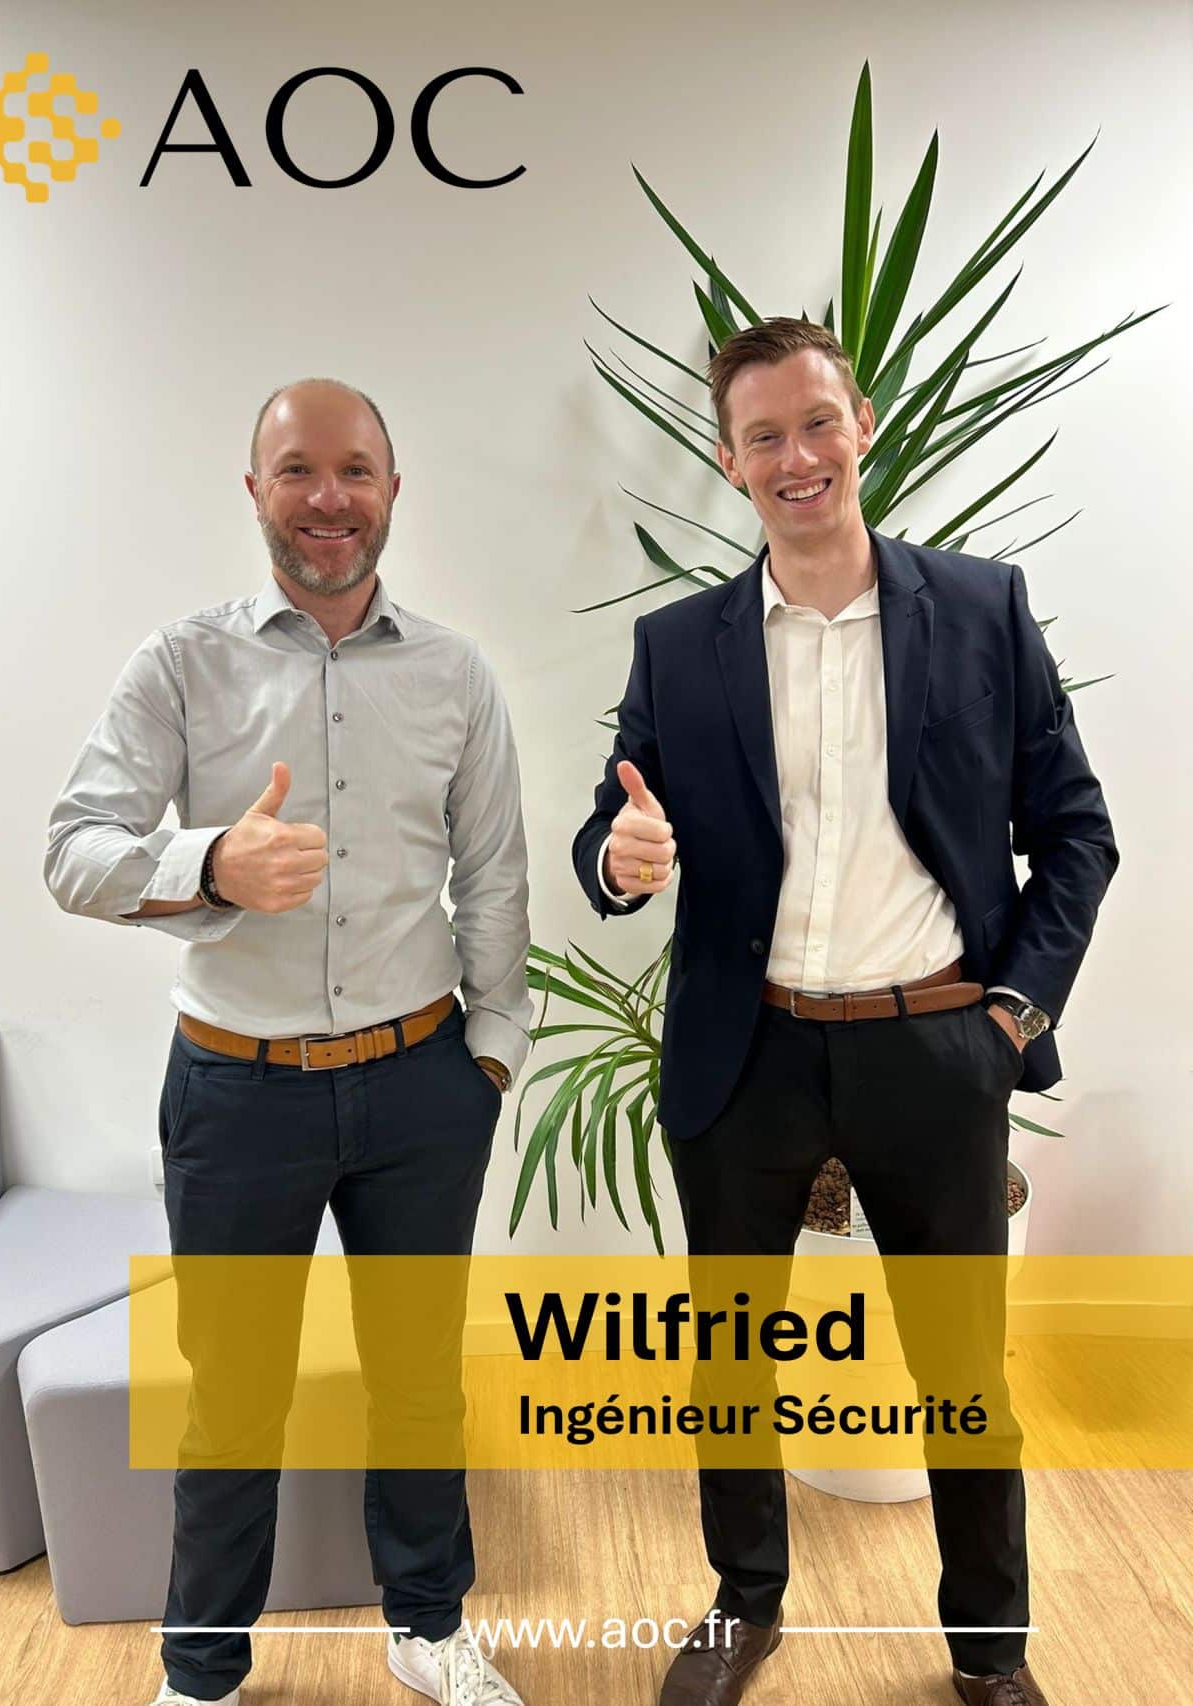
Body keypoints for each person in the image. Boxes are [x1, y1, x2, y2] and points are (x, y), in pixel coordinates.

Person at [572, 319, 1117, 1706]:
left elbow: (1075, 831)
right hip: (744, 1049)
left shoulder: (981, 607)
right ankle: (745, 1606)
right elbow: (611, 823)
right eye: (764, 435)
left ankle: (990, 1650)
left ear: (860, 423)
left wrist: (1008, 1015)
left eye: (817, 422)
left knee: (961, 1371)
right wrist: (619, 860)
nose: (796, 456)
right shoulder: (678, 646)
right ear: (730, 459)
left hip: (935, 1044)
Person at [46, 378, 533, 1706]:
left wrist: (489, 1057)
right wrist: (211, 862)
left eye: (355, 470)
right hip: (237, 1093)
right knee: (233, 1395)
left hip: (422, 1083)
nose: (330, 498)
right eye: (300, 470)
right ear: (255, 489)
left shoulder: (455, 674)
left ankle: (428, 1628)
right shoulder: (181, 664)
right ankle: (202, 1669)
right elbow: (73, 850)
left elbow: (494, 875)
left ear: (393, 488)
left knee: (419, 1382)